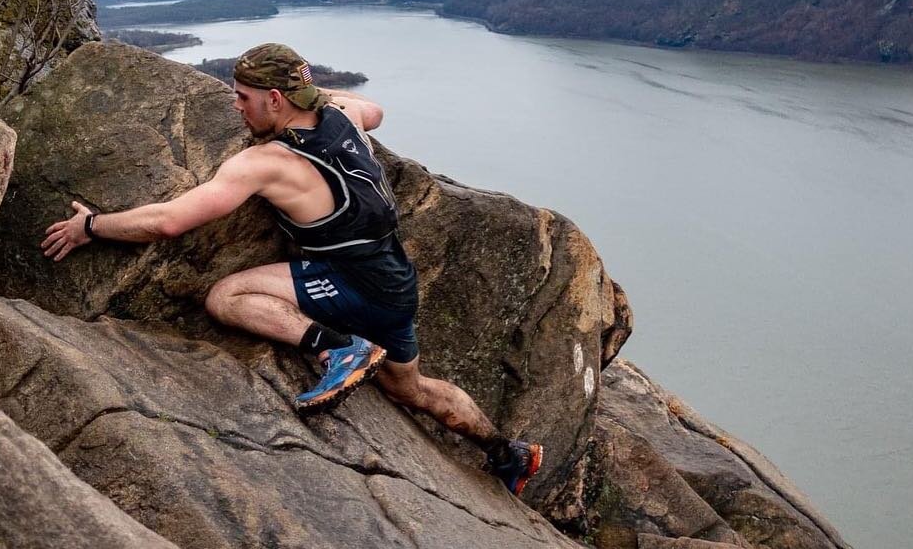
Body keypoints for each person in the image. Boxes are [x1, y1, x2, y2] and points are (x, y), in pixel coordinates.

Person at [41, 42, 542, 496]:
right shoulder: (345, 114)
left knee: (227, 298)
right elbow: (377, 110)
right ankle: (506, 452)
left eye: (243, 97)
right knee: (409, 388)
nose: (236, 107)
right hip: (395, 283)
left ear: (276, 99)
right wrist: (310, 94)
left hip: (348, 283)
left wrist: (93, 227)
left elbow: (171, 222)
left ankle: (341, 349)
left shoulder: (268, 162)